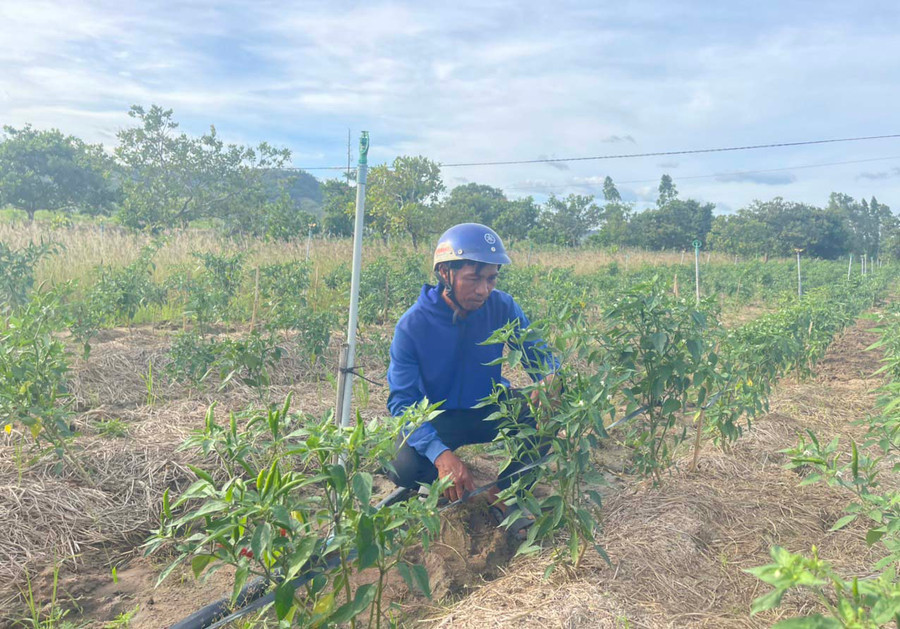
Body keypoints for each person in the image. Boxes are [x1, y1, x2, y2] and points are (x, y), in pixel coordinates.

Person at [385, 223, 558, 535]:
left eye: (491, 278)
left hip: (490, 408)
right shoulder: (413, 325)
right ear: (445, 274)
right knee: (402, 465)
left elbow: (538, 352)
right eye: (473, 278)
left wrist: (550, 376)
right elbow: (403, 401)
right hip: (439, 418)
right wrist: (441, 455)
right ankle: (446, 484)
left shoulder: (502, 307)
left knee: (553, 409)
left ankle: (506, 492)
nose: (483, 289)